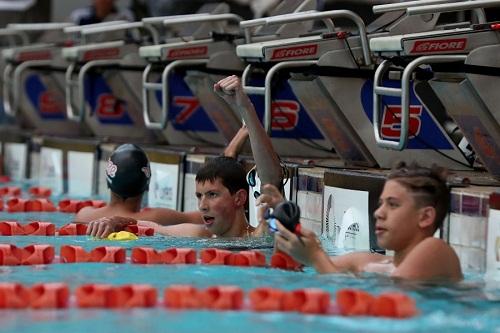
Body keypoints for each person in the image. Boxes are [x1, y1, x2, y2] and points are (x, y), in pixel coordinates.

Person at [268, 162, 463, 282]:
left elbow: (390, 306)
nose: (378, 213)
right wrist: (287, 230)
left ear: (425, 217)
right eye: (380, 204)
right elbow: (298, 268)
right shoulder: (368, 262)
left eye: (393, 205)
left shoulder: (435, 249)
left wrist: (316, 256)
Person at [86, 156, 270, 238]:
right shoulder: (199, 234)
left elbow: (272, 172)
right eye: (199, 196)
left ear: (239, 198)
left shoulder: (259, 237)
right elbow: (150, 227)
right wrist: (113, 221)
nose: (202, 206)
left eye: (212, 195)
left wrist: (245, 106)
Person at [76, 143, 202, 226]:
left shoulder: (85, 214)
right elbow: (205, 218)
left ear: (108, 180)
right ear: (147, 184)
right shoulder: (156, 218)